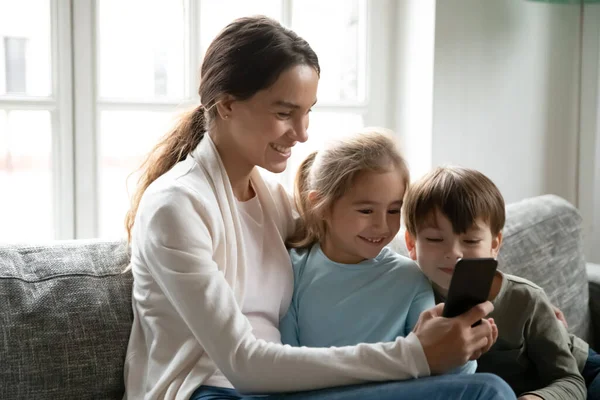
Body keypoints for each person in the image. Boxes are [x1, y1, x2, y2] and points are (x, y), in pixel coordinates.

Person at [123, 16, 515, 400]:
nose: (303, 132)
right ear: (226, 105)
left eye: (308, 111)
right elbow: (244, 363)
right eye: (284, 113)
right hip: (210, 391)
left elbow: (353, 246)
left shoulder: (271, 201)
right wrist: (414, 354)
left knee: (487, 388)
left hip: (280, 390)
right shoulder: (176, 206)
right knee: (484, 392)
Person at [279, 129, 477, 375]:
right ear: (319, 206)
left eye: (394, 211)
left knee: (489, 387)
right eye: (366, 211)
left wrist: (463, 347)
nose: (382, 226)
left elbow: (441, 374)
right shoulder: (293, 270)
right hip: (314, 393)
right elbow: (284, 364)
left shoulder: (410, 278)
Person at [402, 165, 600, 400]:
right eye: (435, 239)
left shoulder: (526, 299)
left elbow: (570, 381)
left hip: (582, 372)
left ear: (494, 244)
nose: (454, 252)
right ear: (412, 244)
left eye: (470, 240)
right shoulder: (408, 296)